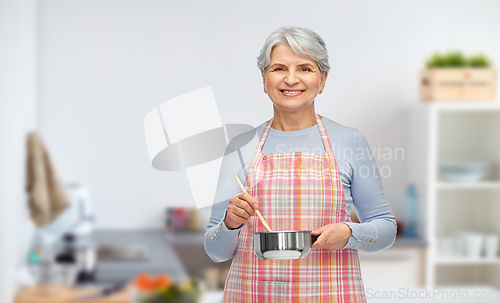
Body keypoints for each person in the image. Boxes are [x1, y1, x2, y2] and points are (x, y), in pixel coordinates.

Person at [204, 26, 397, 302]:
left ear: (323, 79)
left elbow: (386, 228)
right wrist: (230, 222)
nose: (291, 79)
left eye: (305, 69)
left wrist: (350, 233)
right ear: (264, 78)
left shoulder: (349, 141)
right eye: (279, 68)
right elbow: (215, 250)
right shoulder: (240, 147)